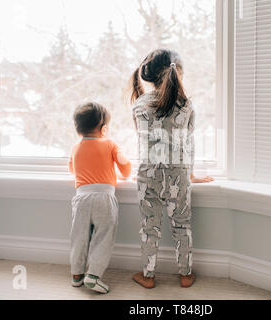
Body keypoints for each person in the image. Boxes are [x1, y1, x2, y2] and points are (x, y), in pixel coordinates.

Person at [130, 49, 214, 289]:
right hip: (178, 172)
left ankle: (148, 275)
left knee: (149, 225)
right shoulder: (186, 105)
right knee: (182, 224)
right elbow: (189, 143)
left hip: (148, 174)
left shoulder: (139, 104)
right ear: (178, 73)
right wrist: (191, 175)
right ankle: (186, 274)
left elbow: (141, 138)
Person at [68, 102, 131, 293]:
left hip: (82, 198)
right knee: (103, 237)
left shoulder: (75, 147)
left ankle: (77, 274)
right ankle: (93, 275)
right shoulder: (110, 144)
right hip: (104, 198)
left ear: (78, 129)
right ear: (104, 129)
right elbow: (126, 168)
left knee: (79, 236)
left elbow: (72, 169)